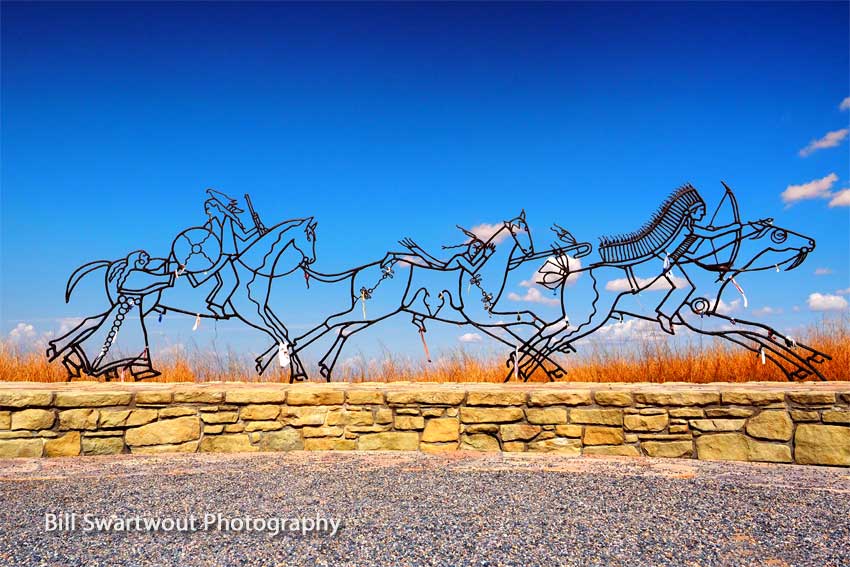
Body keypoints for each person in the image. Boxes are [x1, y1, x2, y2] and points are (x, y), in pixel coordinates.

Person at [190, 189, 261, 318]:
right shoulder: (210, 225)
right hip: (218, 257)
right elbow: (202, 240)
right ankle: (212, 300)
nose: (207, 212)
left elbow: (244, 237)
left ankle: (215, 304)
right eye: (206, 209)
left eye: (209, 208)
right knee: (227, 280)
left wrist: (257, 228)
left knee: (232, 281)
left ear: (216, 207)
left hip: (226, 256)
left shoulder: (228, 221)